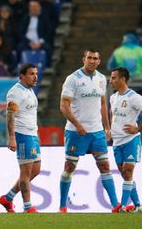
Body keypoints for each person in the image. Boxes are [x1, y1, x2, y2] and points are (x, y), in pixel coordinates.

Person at [59, 49, 119, 213]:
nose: (92, 61)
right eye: (89, 58)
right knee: (70, 167)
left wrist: (107, 127)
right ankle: (63, 206)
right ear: (83, 59)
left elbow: (103, 103)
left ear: (99, 61)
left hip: (97, 131)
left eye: (95, 58)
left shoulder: (101, 79)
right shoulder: (73, 79)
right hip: (75, 131)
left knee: (105, 166)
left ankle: (115, 205)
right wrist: (77, 124)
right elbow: (64, 105)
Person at [0, 63, 41, 213]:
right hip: (22, 134)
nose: (35, 77)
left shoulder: (29, 91)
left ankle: (8, 198)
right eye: (31, 74)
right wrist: (12, 137)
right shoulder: (15, 92)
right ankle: (28, 206)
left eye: (36, 73)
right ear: (21, 76)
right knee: (25, 172)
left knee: (36, 170)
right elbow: (10, 115)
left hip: (33, 134)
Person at [109, 67, 142, 212]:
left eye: (114, 78)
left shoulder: (134, 97)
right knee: (125, 174)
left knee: (128, 171)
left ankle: (121, 206)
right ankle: (138, 206)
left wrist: (137, 128)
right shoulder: (113, 97)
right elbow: (112, 114)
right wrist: (109, 129)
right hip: (116, 142)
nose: (111, 81)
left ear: (123, 79)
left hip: (131, 139)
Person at [17, 0, 52, 67]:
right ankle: (19, 67)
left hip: (40, 42)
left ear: (40, 8)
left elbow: (48, 32)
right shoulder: (25, 18)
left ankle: (47, 67)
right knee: (19, 47)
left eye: (36, 7)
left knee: (48, 48)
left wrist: (40, 42)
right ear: (29, 8)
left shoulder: (44, 18)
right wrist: (29, 42)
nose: (35, 9)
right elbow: (20, 32)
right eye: (33, 7)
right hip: (27, 42)